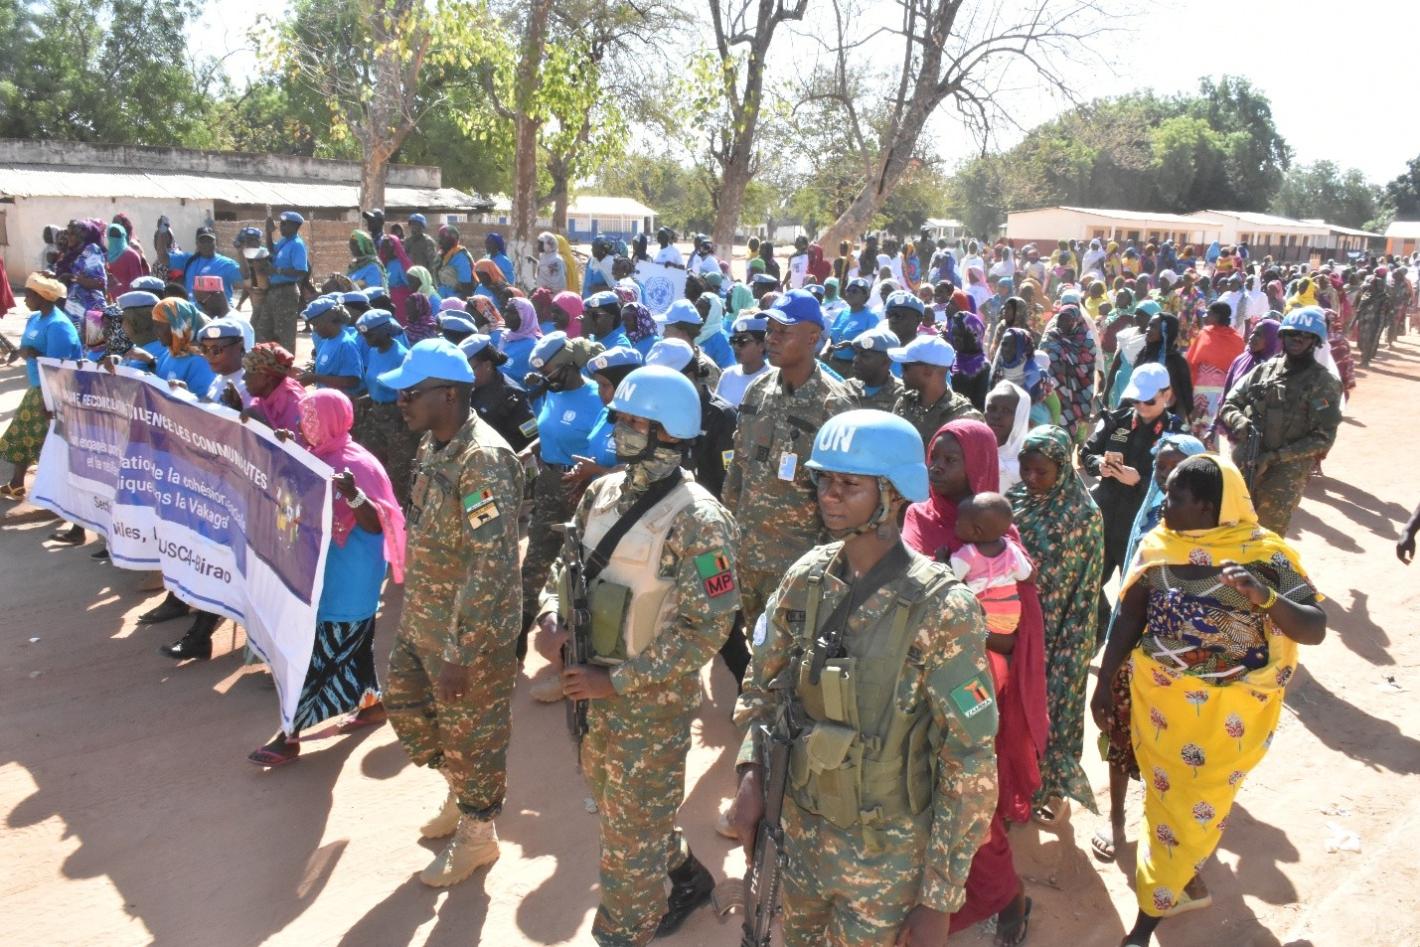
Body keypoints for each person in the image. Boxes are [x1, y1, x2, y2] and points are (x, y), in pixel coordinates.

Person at [731, 409, 997, 947]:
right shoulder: (805, 578)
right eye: (824, 479)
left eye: (849, 483)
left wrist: (937, 900)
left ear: (895, 493)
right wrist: (750, 773)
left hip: (887, 857)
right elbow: (764, 689)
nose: (829, 495)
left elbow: (969, 758)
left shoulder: (943, 608)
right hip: (799, 835)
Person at [1091, 454, 1326, 946]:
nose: (1162, 505)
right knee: (1163, 804)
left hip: (1228, 718)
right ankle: (1173, 886)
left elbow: (1314, 627)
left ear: (1207, 507)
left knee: (1195, 809)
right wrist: (1105, 680)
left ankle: (1148, 917)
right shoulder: (1160, 547)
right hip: (1161, 703)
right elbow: (1131, 618)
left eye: (1174, 496)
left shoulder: (1264, 556)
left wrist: (1264, 596)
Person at [376, 338, 524, 887]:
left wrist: (461, 653)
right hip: (425, 618)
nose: (401, 402)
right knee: (409, 706)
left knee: (473, 735)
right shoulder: (433, 447)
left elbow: (493, 565)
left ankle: (479, 834)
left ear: (450, 394)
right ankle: (462, 795)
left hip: (469, 634)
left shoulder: (482, 460)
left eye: (410, 393)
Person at [901, 419, 1045, 945]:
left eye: (948, 461)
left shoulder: (998, 532)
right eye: (932, 458)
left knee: (970, 802)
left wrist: (982, 647)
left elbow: (1016, 625)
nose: (936, 469)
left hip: (977, 685)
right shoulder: (918, 516)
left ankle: (1008, 897)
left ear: (979, 466)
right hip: (921, 675)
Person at [247, 390, 403, 766]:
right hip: (329, 572)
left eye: (311, 419)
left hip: (351, 578)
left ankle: (289, 736)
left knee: (321, 655)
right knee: (354, 647)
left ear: (332, 420)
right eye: (303, 418)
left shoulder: (357, 465)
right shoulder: (320, 456)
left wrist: (352, 496)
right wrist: (285, 449)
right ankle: (371, 704)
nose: (303, 425)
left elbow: (376, 521)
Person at [1092, 433, 1205, 861]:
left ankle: (1168, 830)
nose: (1164, 477)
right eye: (1160, 469)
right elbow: (1129, 597)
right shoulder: (1152, 514)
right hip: (1137, 650)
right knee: (1122, 732)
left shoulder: (1216, 535)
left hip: (1186, 670)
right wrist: (1107, 673)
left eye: (1175, 470)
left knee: (1176, 750)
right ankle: (1117, 817)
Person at [722, 289, 853, 629]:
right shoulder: (758, 389)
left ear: (813, 338)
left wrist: (827, 568)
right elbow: (739, 466)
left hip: (799, 565)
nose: (772, 339)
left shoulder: (833, 405)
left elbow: (844, 497)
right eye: (770, 330)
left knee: (793, 664)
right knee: (754, 647)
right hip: (748, 557)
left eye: (784, 331)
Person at [1008, 425, 1104, 826]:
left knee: (1051, 711)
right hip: (1010, 627)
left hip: (1059, 633)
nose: (1031, 479)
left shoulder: (1084, 517)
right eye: (1025, 469)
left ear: (1063, 468)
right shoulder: (1014, 502)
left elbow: (1086, 588)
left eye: (1040, 472)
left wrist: (1069, 648)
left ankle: (1049, 789)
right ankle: (1013, 784)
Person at [1217, 307, 1342, 535]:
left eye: (1304, 336)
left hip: (1285, 473)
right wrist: (1241, 422)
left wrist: (1275, 457)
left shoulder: (1323, 383)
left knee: (1266, 537)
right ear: (1282, 336)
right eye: (1291, 333)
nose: (1297, 339)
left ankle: (1267, 572)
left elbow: (1323, 438)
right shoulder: (1263, 371)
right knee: (1231, 530)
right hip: (1247, 460)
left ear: (1315, 341)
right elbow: (1229, 404)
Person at [519, 332, 605, 652]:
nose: (546, 380)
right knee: (536, 560)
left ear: (570, 366)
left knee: (580, 564)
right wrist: (529, 450)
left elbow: (604, 446)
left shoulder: (598, 397)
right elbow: (549, 429)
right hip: (548, 484)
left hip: (581, 488)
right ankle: (517, 636)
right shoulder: (549, 393)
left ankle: (579, 645)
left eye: (550, 372)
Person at [1081, 362, 1182, 600]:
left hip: (1142, 530)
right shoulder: (1117, 420)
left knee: (1133, 598)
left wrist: (1140, 481)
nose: (1141, 407)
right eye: (1137, 400)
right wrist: (1099, 466)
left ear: (1166, 395)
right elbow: (1087, 452)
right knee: (1087, 590)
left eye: (1149, 401)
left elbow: (1181, 485)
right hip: (1104, 520)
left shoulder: (1177, 433)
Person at [1, 274, 83, 501]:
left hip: (53, 388)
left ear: (43, 297)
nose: (24, 299)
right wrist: (20, 352)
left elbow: (59, 365)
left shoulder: (59, 326)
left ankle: (58, 494)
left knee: (30, 435)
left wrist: (32, 355)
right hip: (37, 386)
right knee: (34, 436)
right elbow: (27, 345)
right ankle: (18, 484)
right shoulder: (35, 319)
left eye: (29, 295)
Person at [353, 310, 417, 505]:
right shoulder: (373, 352)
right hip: (375, 415)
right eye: (363, 335)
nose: (365, 339)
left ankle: (398, 511)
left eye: (369, 334)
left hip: (397, 418)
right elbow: (375, 384)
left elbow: (409, 392)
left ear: (385, 332)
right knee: (368, 463)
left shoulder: (402, 356)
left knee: (398, 471)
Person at [890, 335, 982, 445]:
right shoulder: (905, 403)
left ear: (927, 370)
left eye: (906, 367)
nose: (901, 373)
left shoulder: (964, 416)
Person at [1185, 301, 1245, 443]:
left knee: (1215, 434)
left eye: (1209, 313)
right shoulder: (1203, 334)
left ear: (1218, 316)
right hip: (1200, 394)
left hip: (1222, 394)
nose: (1204, 316)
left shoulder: (1236, 340)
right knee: (1196, 430)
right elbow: (1191, 362)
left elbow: (1237, 370)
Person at [1039, 304, 1096, 441]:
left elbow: (1087, 368)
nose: (1063, 322)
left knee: (1069, 428)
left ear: (1077, 321)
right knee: (1052, 428)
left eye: (1068, 319)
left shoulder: (1086, 341)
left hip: (1077, 392)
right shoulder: (1051, 337)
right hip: (1053, 390)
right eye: (1061, 318)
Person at [261, 211, 310, 353]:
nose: (280, 226)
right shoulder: (285, 241)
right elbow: (271, 249)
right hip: (274, 290)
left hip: (286, 291)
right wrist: (268, 233)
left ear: (294, 226)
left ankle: (287, 368)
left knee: (285, 335)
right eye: (281, 223)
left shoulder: (297, 245)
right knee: (265, 330)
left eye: (284, 224)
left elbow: (301, 271)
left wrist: (277, 271)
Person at [300, 298, 363, 397]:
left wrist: (315, 378)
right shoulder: (326, 341)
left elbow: (351, 381)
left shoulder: (346, 344)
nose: (314, 330)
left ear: (329, 320)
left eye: (316, 325)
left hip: (340, 405)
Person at [163, 227, 244, 303]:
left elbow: (245, 275)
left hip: (220, 314)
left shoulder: (226, 263)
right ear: (197, 243)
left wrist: (240, 251)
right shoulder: (188, 260)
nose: (206, 244)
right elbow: (163, 259)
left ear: (216, 243)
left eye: (209, 241)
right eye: (203, 241)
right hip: (195, 314)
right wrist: (161, 232)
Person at [241, 342, 306, 434]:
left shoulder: (296, 406)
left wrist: (259, 422)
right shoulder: (262, 398)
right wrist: (236, 407)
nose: (244, 377)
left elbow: (295, 447)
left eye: (250, 372)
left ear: (268, 377)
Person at [944, 290, 990, 409]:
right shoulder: (953, 358)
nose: (956, 339)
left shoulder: (983, 367)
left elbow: (981, 403)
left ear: (974, 336)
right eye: (954, 335)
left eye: (961, 336)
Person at [840, 325, 903, 411]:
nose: (855, 359)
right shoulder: (847, 387)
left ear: (886, 361)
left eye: (865, 356)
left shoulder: (902, 394)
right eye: (856, 353)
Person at [984, 380, 1031, 492]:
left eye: (1006, 410)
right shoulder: (972, 452)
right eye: (992, 408)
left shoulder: (1031, 464)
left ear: (1020, 416)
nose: (996, 416)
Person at [714, 313, 770, 408]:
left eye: (742, 341)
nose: (736, 347)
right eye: (733, 341)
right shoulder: (728, 375)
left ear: (761, 345)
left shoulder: (773, 379)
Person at [196, 319, 251, 409]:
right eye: (204, 349)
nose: (209, 356)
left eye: (216, 350)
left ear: (240, 346)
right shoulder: (218, 380)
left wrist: (237, 409)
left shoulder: (249, 387)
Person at [1353, 274, 1392, 366]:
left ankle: (1365, 360)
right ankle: (1365, 357)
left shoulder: (1385, 298)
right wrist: (1353, 322)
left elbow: (1386, 312)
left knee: (1369, 340)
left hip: (1375, 323)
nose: (1370, 287)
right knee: (1361, 341)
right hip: (1363, 322)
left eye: (1372, 285)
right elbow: (1359, 309)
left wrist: (1386, 323)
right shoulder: (1365, 295)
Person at [105, 221, 145, 298]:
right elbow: (137, 281)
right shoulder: (132, 255)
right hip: (128, 300)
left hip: (115, 299)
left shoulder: (106, 256)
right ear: (123, 236)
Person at [436, 226, 477, 298]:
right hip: (442, 297)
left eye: (443, 238)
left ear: (452, 240)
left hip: (456, 299)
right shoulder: (441, 255)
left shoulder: (460, 256)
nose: (439, 241)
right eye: (440, 238)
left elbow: (466, 286)